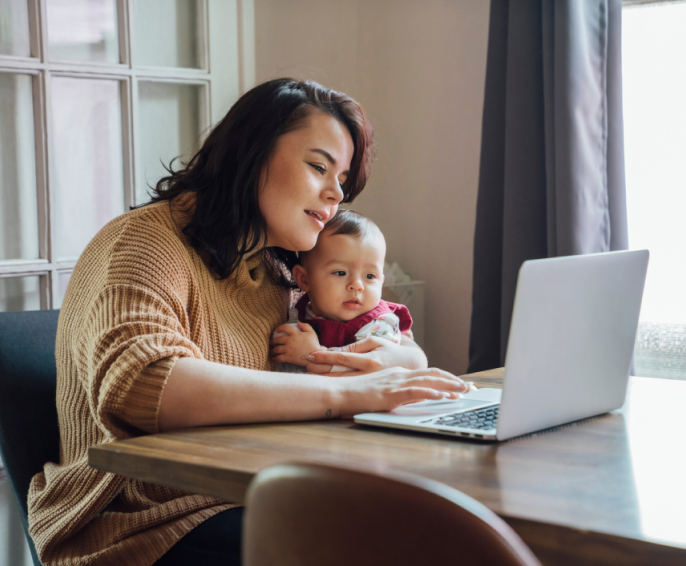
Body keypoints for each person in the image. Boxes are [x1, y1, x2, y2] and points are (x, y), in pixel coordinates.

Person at [27, 78, 472, 566]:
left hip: (250, 489)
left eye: (342, 177)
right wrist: (353, 391)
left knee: (434, 524)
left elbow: (394, 338)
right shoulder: (144, 243)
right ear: (251, 155)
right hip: (142, 521)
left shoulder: (275, 271)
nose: (335, 192)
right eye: (318, 166)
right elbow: (144, 384)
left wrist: (395, 358)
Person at [272, 209, 414, 374]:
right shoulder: (302, 313)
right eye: (340, 273)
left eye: (370, 276)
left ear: (381, 282)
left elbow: (367, 369)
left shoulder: (379, 325)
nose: (357, 286)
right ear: (304, 279)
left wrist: (312, 354)